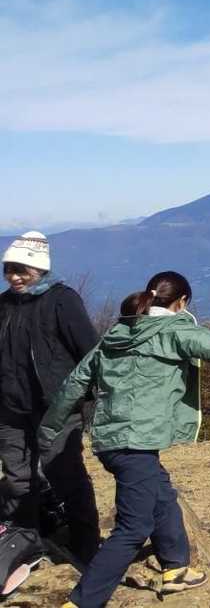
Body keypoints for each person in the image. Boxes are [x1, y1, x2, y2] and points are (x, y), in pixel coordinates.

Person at [39, 271, 210, 608]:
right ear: (182, 302)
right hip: (136, 443)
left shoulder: (117, 333)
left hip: (111, 440)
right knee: (133, 527)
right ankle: (81, 602)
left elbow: (74, 383)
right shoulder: (176, 331)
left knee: (161, 493)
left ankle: (175, 568)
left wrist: (47, 430)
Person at [0, 231, 99, 565]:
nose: (13, 277)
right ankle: (23, 542)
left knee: (66, 475)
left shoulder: (62, 300)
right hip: (10, 409)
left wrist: (89, 395)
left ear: (39, 268)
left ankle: (86, 547)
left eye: (21, 270)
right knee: (18, 478)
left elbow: (90, 351)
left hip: (56, 408)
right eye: (8, 269)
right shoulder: (4, 305)